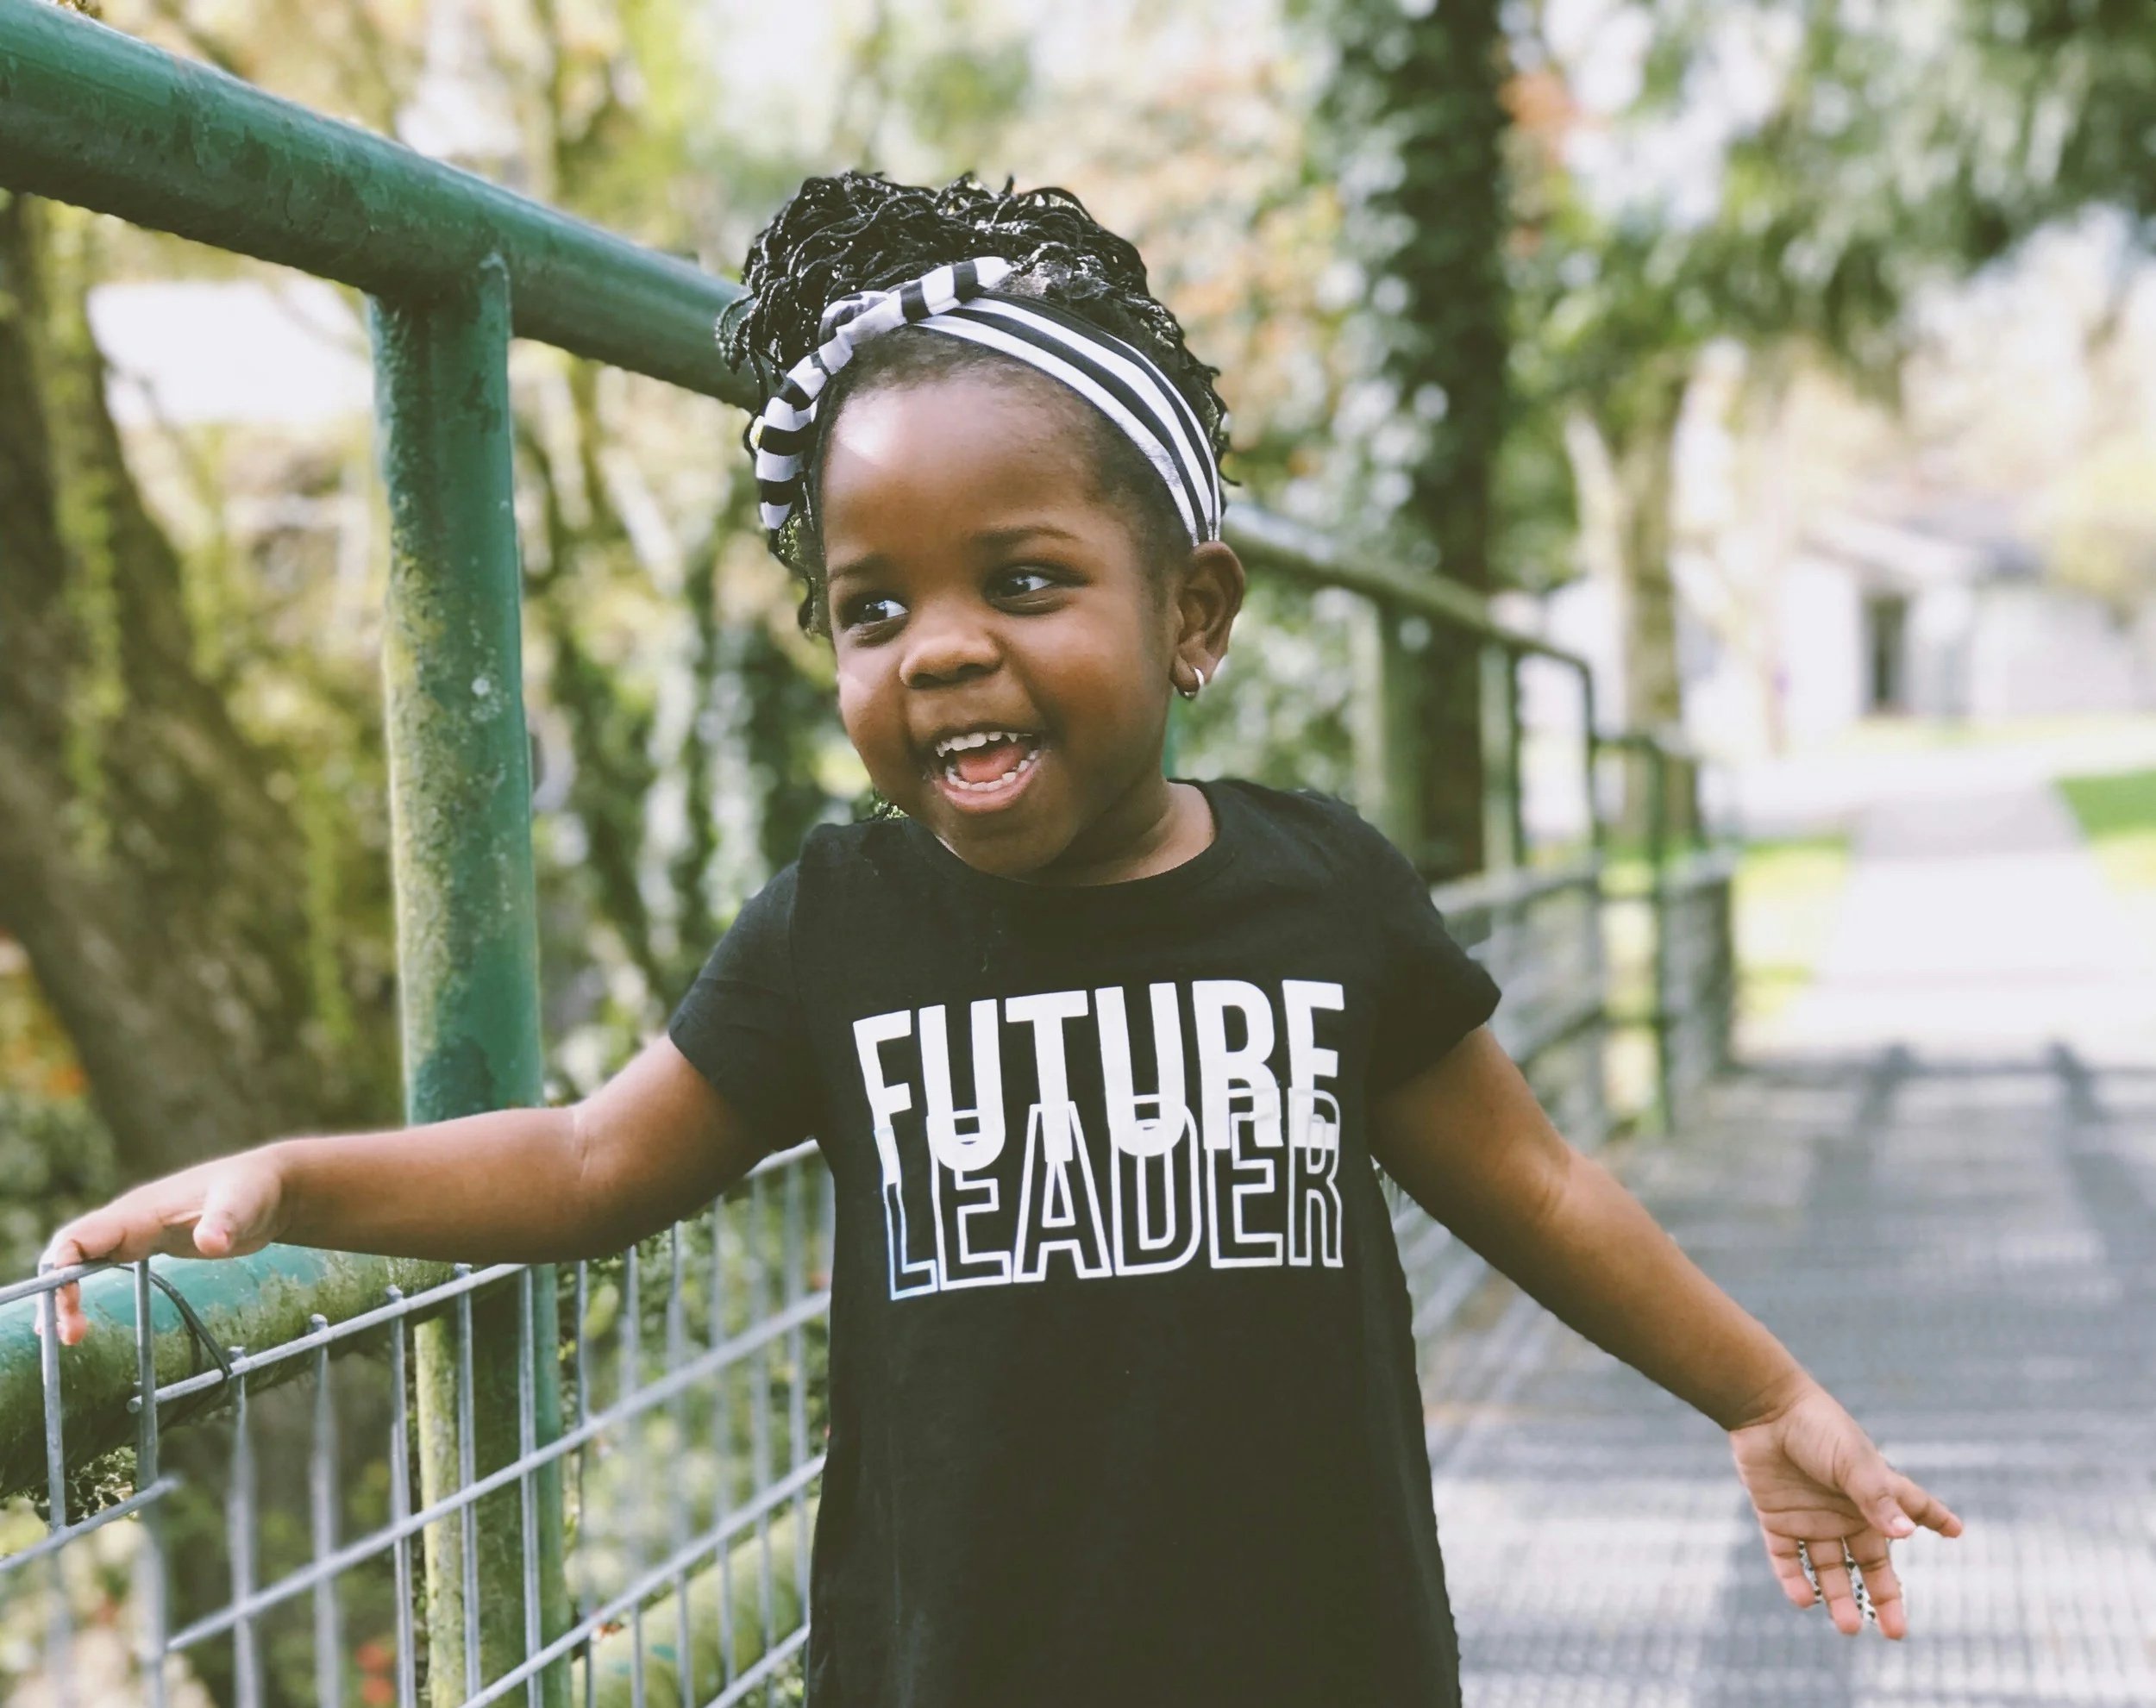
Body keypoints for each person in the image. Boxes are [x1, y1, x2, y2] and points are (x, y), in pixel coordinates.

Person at [41, 172, 1960, 1707]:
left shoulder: (1323, 895)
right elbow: (588, 1162)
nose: (942, 647)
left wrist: (1761, 1393)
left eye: (1024, 581)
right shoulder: (840, 923)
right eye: (873, 609)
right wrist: (296, 1178)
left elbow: (1535, 1184)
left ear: (1192, 613)